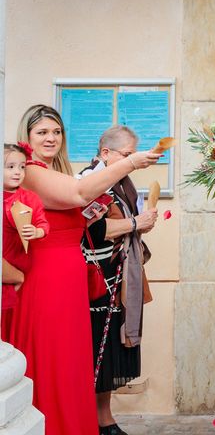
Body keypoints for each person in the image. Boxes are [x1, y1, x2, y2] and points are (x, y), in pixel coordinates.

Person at [10, 105, 160, 435]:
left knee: (71, 367)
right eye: (42, 132)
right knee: (52, 364)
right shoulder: (30, 171)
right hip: (46, 280)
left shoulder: (57, 172)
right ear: (27, 137)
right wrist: (130, 162)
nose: (51, 138)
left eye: (56, 132)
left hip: (69, 279)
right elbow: (79, 192)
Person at [78, 126, 158, 435]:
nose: (132, 161)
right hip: (96, 277)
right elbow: (96, 231)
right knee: (97, 349)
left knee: (111, 348)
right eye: (127, 155)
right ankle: (95, 422)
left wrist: (139, 223)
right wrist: (136, 223)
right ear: (105, 154)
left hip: (118, 272)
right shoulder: (88, 181)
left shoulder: (121, 182)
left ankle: (105, 419)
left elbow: (124, 224)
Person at [1, 143, 49, 340]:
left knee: (7, 307)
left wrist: (36, 231)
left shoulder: (29, 198)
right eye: (10, 166)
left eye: (22, 167)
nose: (17, 172)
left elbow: (43, 224)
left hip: (16, 259)